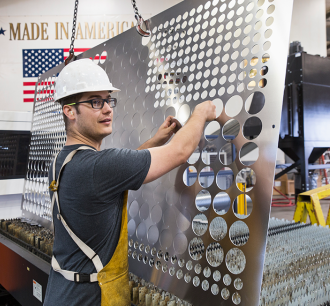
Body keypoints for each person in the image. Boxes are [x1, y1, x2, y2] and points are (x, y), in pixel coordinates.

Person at [44, 59, 216, 306]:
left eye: (108, 100)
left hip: (62, 293)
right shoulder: (98, 167)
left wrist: (156, 140)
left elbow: (116, 174)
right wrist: (201, 113)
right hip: (90, 299)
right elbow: (180, 152)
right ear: (69, 110)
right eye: (95, 101)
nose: (107, 109)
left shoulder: (63, 161)